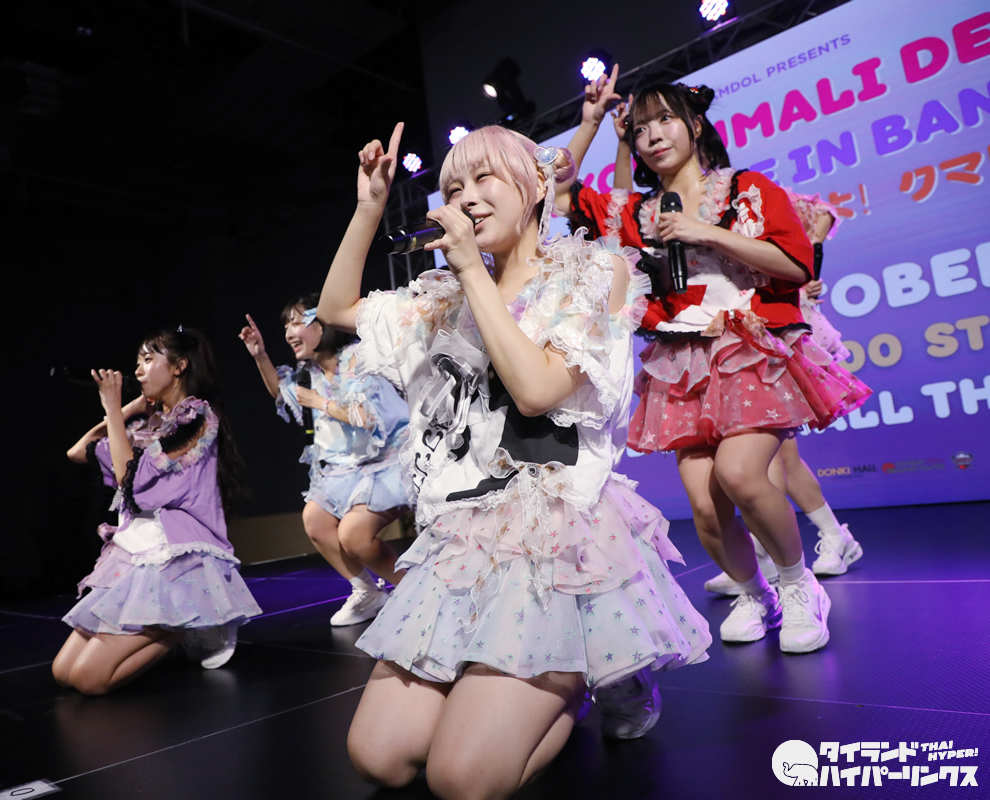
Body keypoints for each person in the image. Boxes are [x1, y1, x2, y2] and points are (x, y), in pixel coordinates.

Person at [318, 120, 711, 799]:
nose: (465, 198)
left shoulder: (592, 270)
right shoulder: (444, 297)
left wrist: (471, 270)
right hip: (461, 534)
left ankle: (588, 677)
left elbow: (536, 391)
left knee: (462, 780)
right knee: (377, 758)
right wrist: (368, 208)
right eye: (452, 189)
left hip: (551, 527)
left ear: (536, 185)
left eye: (484, 178)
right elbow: (336, 308)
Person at [560, 74, 871, 654]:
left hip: (748, 348)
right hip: (681, 358)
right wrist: (592, 123)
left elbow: (796, 265)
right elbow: (556, 191)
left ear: (695, 125)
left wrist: (705, 232)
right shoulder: (635, 212)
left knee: (742, 474)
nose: (653, 136)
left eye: (665, 120)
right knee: (704, 506)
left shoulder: (747, 189)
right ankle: (757, 595)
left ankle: (800, 587)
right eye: (641, 128)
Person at [54, 327, 261, 694]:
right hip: (137, 550)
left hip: (175, 556)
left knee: (89, 679)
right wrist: (129, 409)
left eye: (148, 359)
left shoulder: (196, 418)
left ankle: (188, 623)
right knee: (63, 672)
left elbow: (127, 479)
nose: (138, 370)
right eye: (137, 362)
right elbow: (77, 452)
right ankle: (181, 624)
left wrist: (112, 409)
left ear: (179, 366)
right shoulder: (145, 427)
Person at [705, 192, 864, 593]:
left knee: (780, 456)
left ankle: (826, 539)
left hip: (776, 330)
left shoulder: (758, 195)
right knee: (772, 458)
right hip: (740, 332)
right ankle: (775, 550)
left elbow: (821, 216)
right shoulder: (709, 206)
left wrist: (811, 262)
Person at [239, 295, 410, 626]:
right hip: (348, 468)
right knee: (315, 519)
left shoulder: (358, 359)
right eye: (286, 326)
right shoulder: (308, 374)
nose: (289, 332)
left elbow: (370, 417)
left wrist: (321, 403)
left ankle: (414, 593)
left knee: (354, 535)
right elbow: (282, 393)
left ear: (323, 325)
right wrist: (260, 355)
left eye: (296, 322)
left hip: (389, 460)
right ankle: (367, 591)